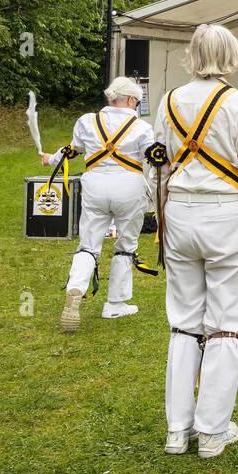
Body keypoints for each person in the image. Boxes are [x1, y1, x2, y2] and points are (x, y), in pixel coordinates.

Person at [150, 23, 238, 458]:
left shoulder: (167, 100)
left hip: (179, 210)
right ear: (230, 55)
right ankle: (213, 429)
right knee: (224, 323)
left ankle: (177, 430)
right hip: (225, 215)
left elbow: (157, 166)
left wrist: (161, 215)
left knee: (183, 321)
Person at [43, 77, 154, 332]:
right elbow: (155, 156)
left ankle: (77, 286)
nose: (136, 106)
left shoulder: (86, 121)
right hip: (129, 188)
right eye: (136, 102)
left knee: (89, 244)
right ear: (128, 100)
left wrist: (51, 160)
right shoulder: (141, 127)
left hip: (94, 187)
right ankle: (115, 304)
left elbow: (73, 150)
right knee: (126, 246)